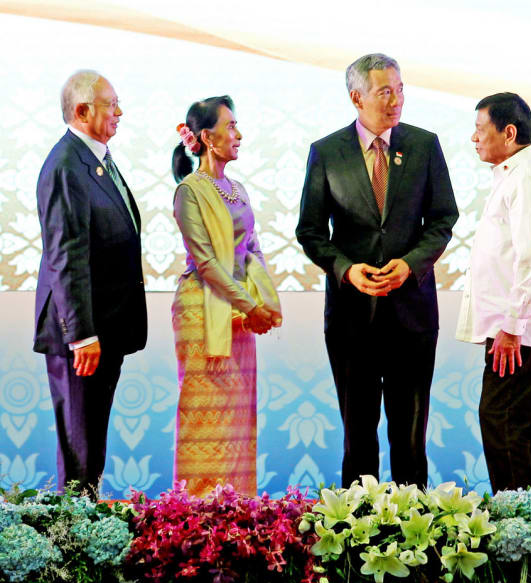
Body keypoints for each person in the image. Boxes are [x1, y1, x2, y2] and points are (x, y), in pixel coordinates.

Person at [296, 53, 458, 488]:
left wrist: (410, 264)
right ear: (356, 97)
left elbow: (443, 218)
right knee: (358, 438)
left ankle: (419, 539)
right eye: (385, 91)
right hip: (352, 317)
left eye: (400, 89)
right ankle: (356, 539)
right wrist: (347, 270)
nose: (396, 100)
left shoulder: (424, 145)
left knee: (410, 439)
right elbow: (310, 232)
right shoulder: (327, 153)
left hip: (413, 314)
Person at [34, 70, 147, 497]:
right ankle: (76, 546)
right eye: (111, 104)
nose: (120, 112)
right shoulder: (67, 165)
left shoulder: (95, 160)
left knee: (92, 446)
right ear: (83, 111)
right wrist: (81, 335)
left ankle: (86, 531)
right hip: (82, 333)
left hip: (106, 325)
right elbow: (66, 255)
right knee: (80, 450)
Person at [171, 95, 282, 497]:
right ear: (207, 137)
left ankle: (237, 515)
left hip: (237, 315)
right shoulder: (190, 191)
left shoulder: (237, 189)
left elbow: (252, 251)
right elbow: (207, 264)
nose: (239, 134)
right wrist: (249, 305)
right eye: (231, 126)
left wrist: (265, 304)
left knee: (238, 421)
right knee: (206, 420)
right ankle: (197, 521)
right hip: (202, 312)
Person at [456, 93, 531, 493]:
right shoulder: (515, 174)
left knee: (502, 423)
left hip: (518, 333)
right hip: (515, 329)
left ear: (509, 132)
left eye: (480, 130)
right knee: (524, 427)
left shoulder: (527, 177)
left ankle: (517, 530)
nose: (473, 139)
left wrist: (513, 326)